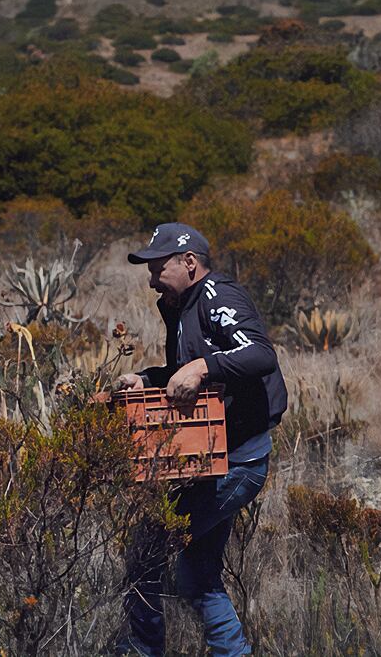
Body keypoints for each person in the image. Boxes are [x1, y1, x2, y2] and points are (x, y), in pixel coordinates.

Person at [115, 222, 288, 657]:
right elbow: (186, 369)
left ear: (189, 262)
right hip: (212, 462)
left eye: (158, 269)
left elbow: (259, 353)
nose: (153, 280)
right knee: (196, 572)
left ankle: (141, 651)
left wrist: (201, 369)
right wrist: (146, 378)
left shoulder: (217, 297)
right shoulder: (182, 306)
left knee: (144, 556)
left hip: (236, 463)